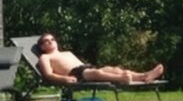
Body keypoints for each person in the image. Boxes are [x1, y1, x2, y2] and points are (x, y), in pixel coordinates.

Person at [34, 33, 165, 87]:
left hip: (85, 68)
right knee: (96, 73)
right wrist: (65, 79)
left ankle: (144, 76)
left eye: (52, 39)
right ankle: (123, 79)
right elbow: (48, 75)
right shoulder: (45, 57)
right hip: (75, 74)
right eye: (46, 41)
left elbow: (82, 66)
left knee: (113, 69)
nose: (51, 42)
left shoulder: (67, 52)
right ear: (42, 46)